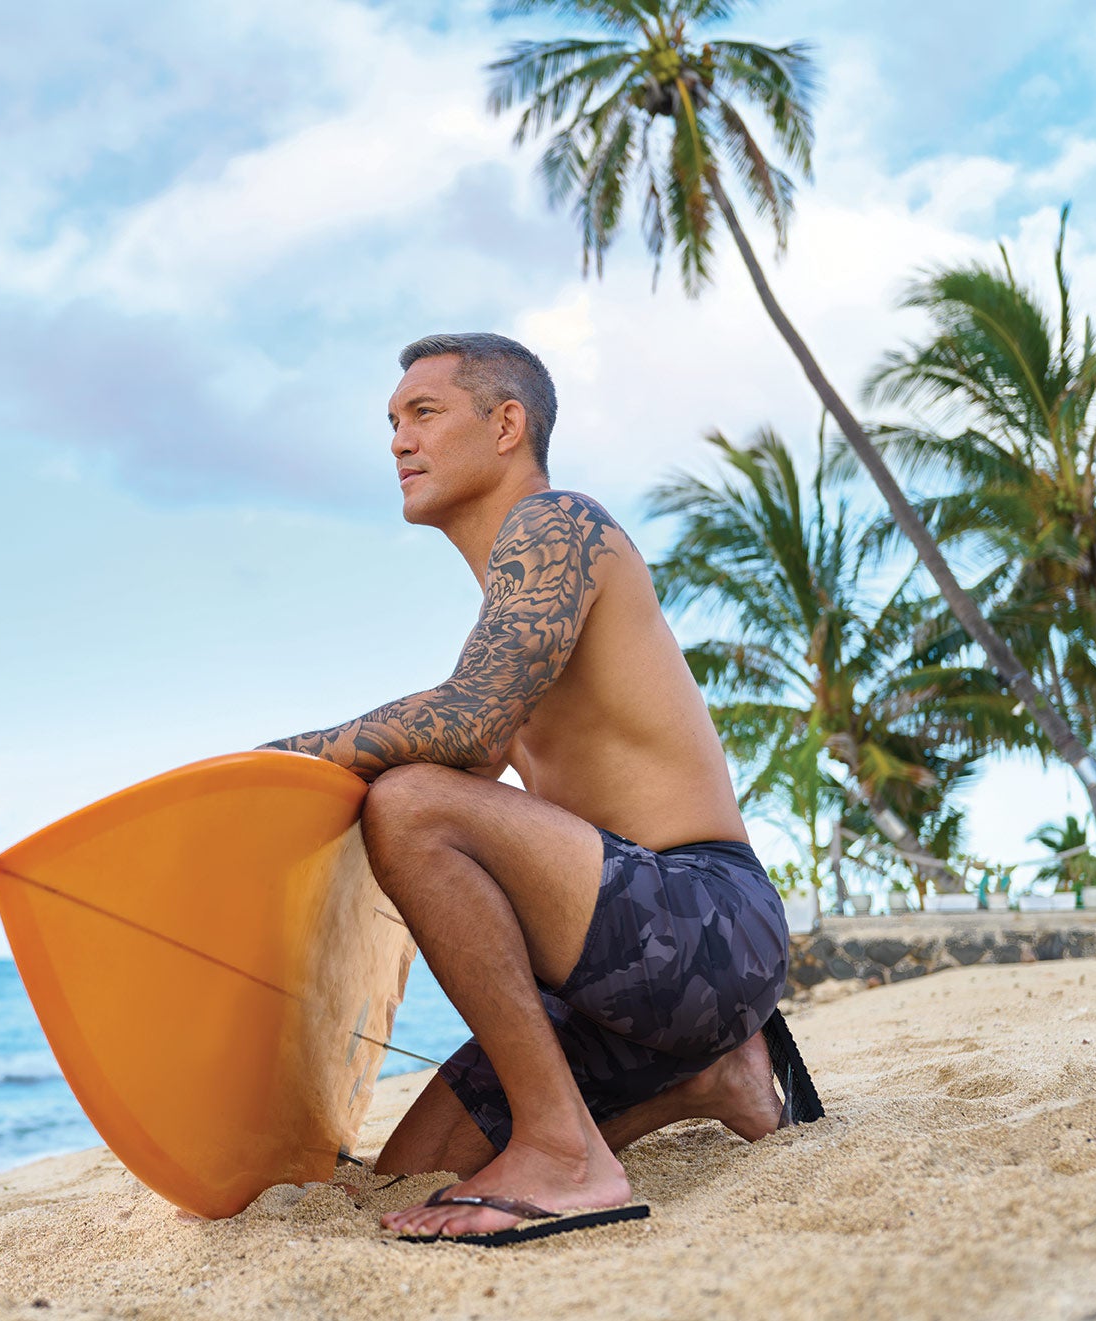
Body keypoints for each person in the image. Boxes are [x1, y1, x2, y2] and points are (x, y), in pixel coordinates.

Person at [261, 332, 819, 1245]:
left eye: (424, 413)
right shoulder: (509, 613)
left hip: (704, 922)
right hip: (615, 974)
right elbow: (472, 765)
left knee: (410, 802)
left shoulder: (559, 526)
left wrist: (264, 763)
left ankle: (566, 1153)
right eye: (391, 421)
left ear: (506, 424)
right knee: (413, 1173)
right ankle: (710, 1077)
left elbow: (464, 727)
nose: (398, 440)